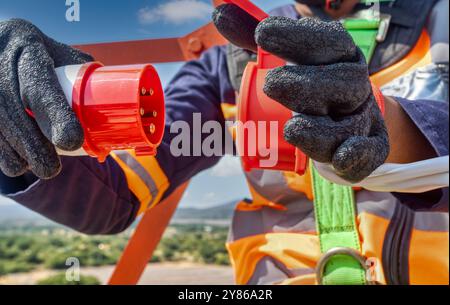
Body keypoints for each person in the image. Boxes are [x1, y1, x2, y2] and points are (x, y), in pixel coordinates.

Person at [0, 0, 448, 284]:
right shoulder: (233, 61)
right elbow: (118, 192)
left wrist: (392, 127)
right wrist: (22, 125)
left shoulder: (439, 25)